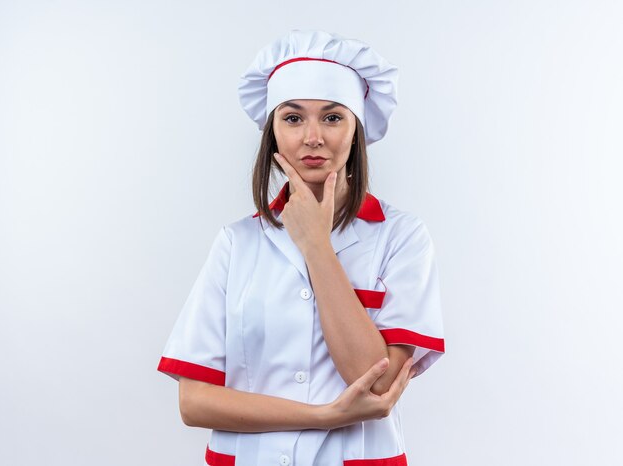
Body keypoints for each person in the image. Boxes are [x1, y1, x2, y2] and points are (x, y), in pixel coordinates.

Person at [157, 29, 445, 466]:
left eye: (332, 117)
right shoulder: (237, 242)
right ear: (271, 132)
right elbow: (194, 402)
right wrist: (324, 416)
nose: (313, 137)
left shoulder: (401, 236)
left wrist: (316, 246)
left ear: (357, 130)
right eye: (293, 118)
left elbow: (378, 386)